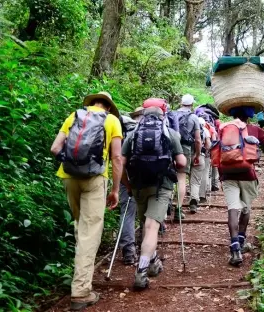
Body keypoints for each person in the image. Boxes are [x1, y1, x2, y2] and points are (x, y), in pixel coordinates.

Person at [50, 91, 123, 310]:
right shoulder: (112, 120)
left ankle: (78, 278)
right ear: (108, 107)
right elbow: (117, 158)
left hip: (68, 177)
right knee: (90, 234)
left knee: (80, 226)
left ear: (91, 104)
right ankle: (81, 293)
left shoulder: (74, 116)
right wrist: (116, 190)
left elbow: (55, 148)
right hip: (95, 178)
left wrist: (71, 164)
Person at [121, 99, 186, 290]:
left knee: (146, 225)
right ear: (163, 116)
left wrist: (128, 185)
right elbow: (181, 162)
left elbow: (120, 162)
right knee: (151, 227)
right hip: (161, 185)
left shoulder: (133, 135)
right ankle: (141, 272)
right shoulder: (170, 133)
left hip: (139, 185)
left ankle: (153, 260)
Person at [221, 104, 264, 266]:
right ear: (250, 115)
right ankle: (241, 239)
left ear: (232, 114)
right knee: (245, 209)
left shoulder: (224, 128)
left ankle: (234, 249)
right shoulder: (253, 129)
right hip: (247, 174)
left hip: (227, 175)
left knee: (233, 209)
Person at [117, 108, 143, 265]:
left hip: (124, 173)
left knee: (127, 212)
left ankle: (128, 250)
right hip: (146, 176)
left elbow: (118, 161)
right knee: (147, 210)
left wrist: (126, 185)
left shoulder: (120, 128)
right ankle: (147, 246)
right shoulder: (155, 129)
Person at [174, 94, 201, 218]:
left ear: (181, 103)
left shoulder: (172, 115)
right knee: (181, 178)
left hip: (169, 148)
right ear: (192, 105)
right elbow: (198, 140)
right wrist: (197, 154)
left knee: (167, 178)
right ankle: (178, 210)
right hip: (185, 149)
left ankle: (165, 208)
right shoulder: (194, 117)